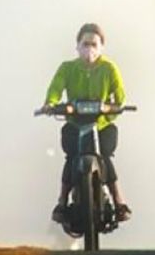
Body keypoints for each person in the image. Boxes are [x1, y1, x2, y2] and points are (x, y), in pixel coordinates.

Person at [43, 22, 132, 224]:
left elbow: (120, 97)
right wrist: (51, 104)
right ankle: (62, 202)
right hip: (75, 124)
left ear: (101, 47)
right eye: (85, 44)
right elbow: (55, 89)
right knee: (71, 157)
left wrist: (113, 108)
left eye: (94, 44)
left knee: (106, 156)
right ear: (77, 46)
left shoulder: (109, 68)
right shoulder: (67, 68)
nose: (89, 49)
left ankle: (119, 202)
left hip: (102, 125)